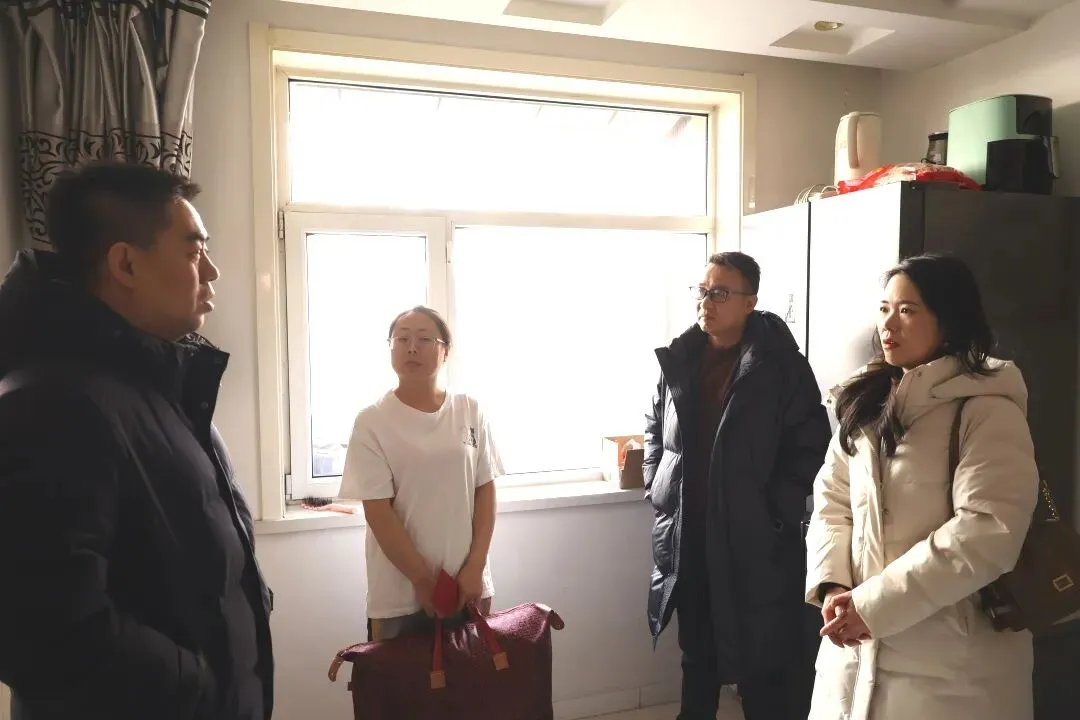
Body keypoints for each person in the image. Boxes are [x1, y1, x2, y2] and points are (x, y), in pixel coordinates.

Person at [0, 162, 274, 720]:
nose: (213, 271)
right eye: (195, 251)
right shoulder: (54, 405)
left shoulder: (159, 386)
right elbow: (44, 630)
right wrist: (201, 685)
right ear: (125, 263)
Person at [805, 254, 1040, 720]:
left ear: (948, 321)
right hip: (851, 653)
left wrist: (874, 606)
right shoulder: (865, 404)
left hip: (951, 666)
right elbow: (832, 503)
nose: (888, 324)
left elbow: (987, 532)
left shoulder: (987, 410)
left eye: (907, 310)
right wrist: (833, 587)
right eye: (884, 309)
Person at [644, 251, 831, 720]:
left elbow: (812, 446)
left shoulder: (781, 367)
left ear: (750, 302)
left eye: (720, 293)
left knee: (762, 663)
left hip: (753, 542)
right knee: (697, 656)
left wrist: (772, 511)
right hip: (690, 538)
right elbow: (653, 426)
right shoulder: (681, 359)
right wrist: (656, 484)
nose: (706, 302)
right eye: (703, 291)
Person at [339, 306, 501, 642]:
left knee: (475, 673)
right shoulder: (372, 421)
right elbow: (378, 512)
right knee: (400, 676)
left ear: (446, 351)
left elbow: (485, 490)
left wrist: (475, 567)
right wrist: (423, 581)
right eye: (402, 339)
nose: (412, 348)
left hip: (467, 585)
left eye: (424, 339)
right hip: (400, 595)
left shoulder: (469, 410)